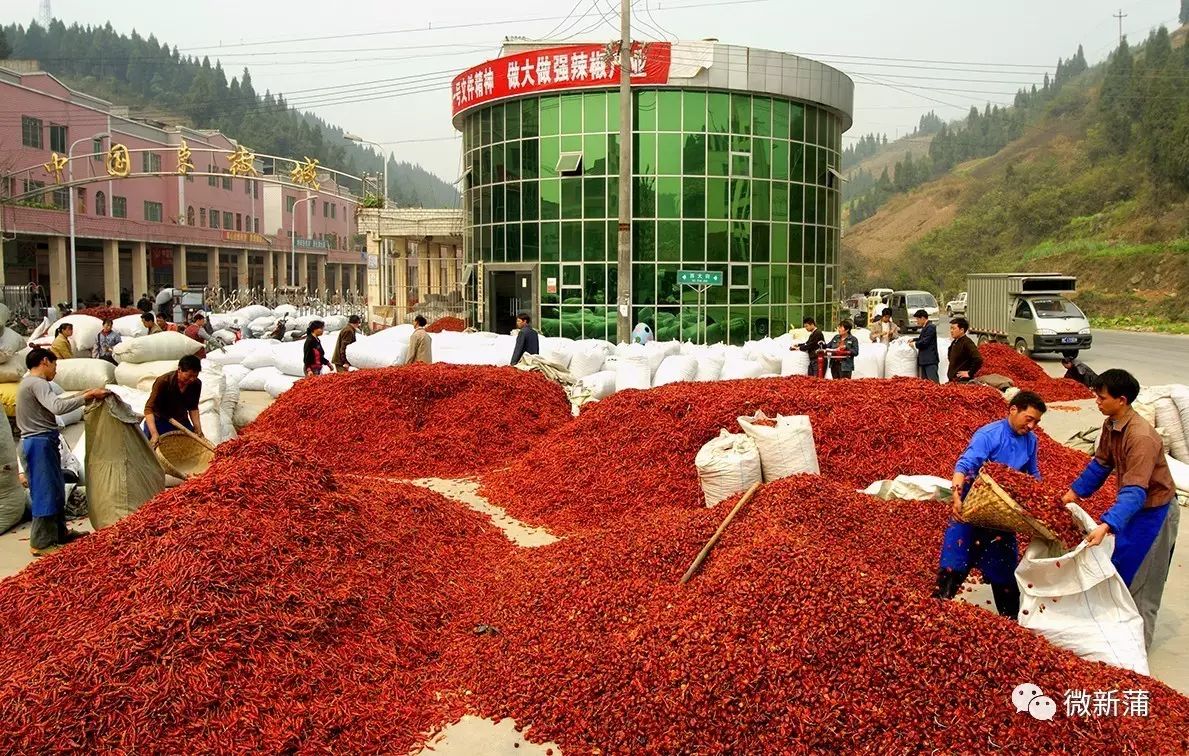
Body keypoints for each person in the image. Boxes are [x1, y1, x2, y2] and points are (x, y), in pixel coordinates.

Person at [1061, 369, 1179, 648]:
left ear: (1122, 400)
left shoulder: (1141, 438)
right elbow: (1101, 463)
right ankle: (1117, 642)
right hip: (1133, 512)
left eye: (1101, 397)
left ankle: (1136, 656)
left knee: (1143, 587)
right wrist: (1073, 493)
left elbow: (1136, 491)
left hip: (1155, 513)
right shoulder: (1111, 424)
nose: (1096, 401)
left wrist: (1107, 524)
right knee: (1121, 574)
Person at [935, 390, 1048, 619]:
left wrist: (1042, 500)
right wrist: (956, 497)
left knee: (1004, 571)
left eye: (1036, 421)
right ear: (1013, 410)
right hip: (975, 505)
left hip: (1002, 513)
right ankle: (934, 616)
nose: (1032, 426)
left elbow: (1032, 473)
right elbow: (964, 465)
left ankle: (1011, 623)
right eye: (1029, 419)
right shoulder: (989, 435)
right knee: (955, 561)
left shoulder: (1031, 441)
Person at [17, 348, 108, 556]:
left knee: (56, 489)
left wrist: (84, 393)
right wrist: (87, 397)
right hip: (38, 443)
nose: (56, 371)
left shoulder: (31, 384)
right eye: (55, 366)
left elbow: (54, 404)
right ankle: (40, 543)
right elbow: (57, 407)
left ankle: (59, 533)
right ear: (45, 361)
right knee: (44, 492)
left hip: (44, 442)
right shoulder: (37, 383)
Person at [143, 355, 204, 444]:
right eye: (189, 375)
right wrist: (154, 433)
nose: (192, 379)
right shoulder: (164, 381)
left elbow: (193, 408)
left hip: (181, 421)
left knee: (191, 445)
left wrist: (198, 428)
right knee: (153, 448)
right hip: (160, 420)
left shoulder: (196, 384)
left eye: (195, 376)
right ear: (179, 370)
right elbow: (148, 409)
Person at [947, 317, 983, 383]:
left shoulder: (967, 343)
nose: (951, 331)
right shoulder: (955, 342)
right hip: (953, 381)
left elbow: (978, 359)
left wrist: (969, 373)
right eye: (951, 328)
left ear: (961, 330)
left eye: (953, 328)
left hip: (961, 381)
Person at [911, 309, 940, 383]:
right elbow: (924, 338)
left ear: (923, 318)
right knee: (926, 384)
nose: (917, 321)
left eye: (917, 319)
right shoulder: (926, 327)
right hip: (924, 360)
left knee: (933, 382)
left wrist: (914, 344)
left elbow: (925, 342)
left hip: (930, 360)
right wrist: (914, 339)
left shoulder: (931, 327)